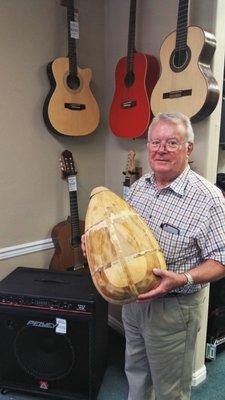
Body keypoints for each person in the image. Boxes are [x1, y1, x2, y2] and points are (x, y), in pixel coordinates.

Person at [82, 112, 225, 400]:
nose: (161, 149)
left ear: (189, 148)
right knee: (135, 374)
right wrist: (96, 247)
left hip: (174, 309)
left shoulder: (209, 199)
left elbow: (221, 261)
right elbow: (123, 240)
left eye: (172, 142)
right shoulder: (139, 188)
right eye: (155, 142)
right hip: (134, 305)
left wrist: (183, 278)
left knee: (169, 389)